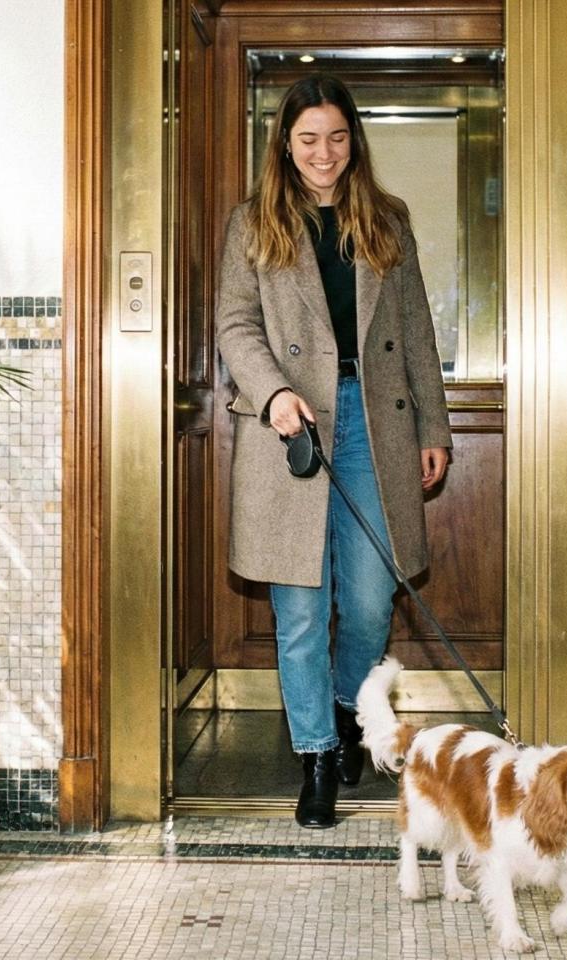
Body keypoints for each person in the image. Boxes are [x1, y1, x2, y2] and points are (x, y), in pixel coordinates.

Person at [215, 74, 452, 828]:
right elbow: (235, 325)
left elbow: (414, 329)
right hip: (292, 423)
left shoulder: (388, 218)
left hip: (375, 422)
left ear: (355, 141)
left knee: (373, 599)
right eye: (309, 138)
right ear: (285, 142)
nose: (324, 152)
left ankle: (351, 713)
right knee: (300, 608)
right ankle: (317, 755)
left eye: (338, 137)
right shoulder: (253, 224)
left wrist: (433, 428)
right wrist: (273, 393)